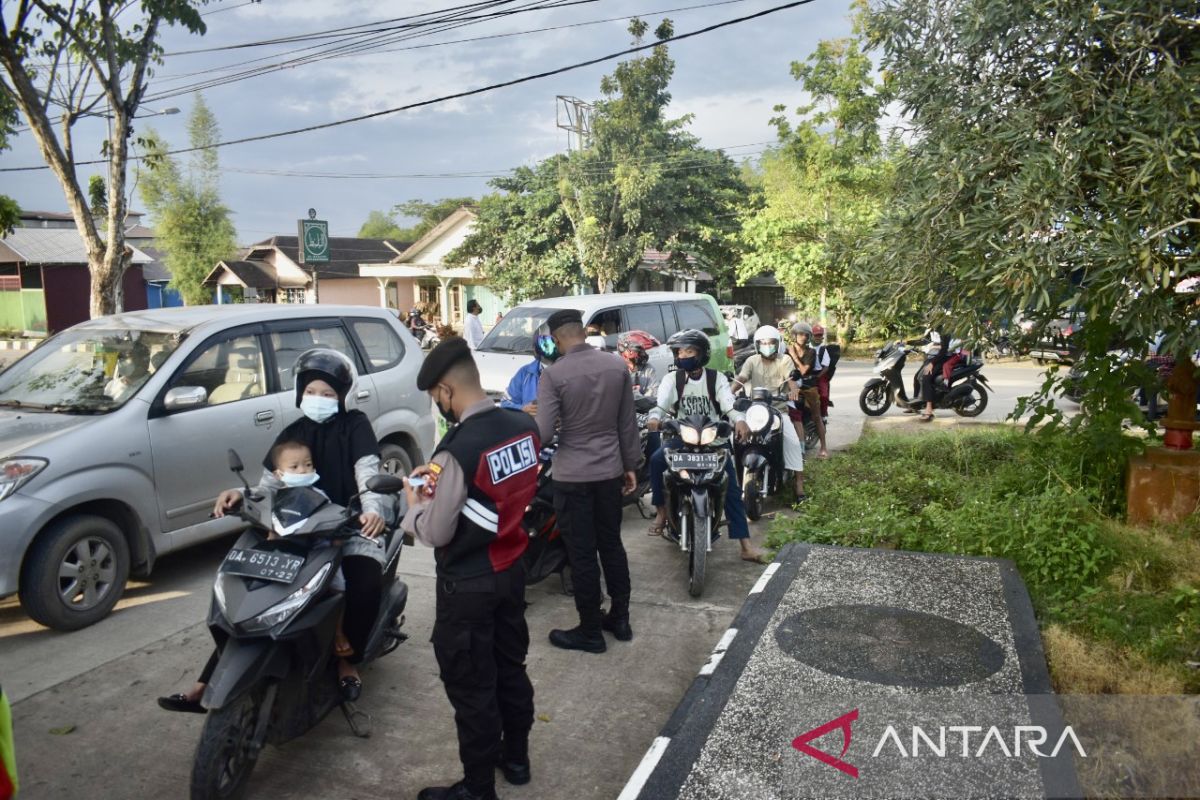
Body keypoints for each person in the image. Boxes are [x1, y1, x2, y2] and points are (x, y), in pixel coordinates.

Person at [157, 349, 390, 712]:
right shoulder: (292, 432)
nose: (319, 399)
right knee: (247, 593)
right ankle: (209, 679)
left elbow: (367, 470)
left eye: (328, 394)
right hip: (297, 529)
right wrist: (241, 494)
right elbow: (269, 485)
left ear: (342, 396)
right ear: (300, 392)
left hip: (349, 524)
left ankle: (349, 659)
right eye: (312, 391)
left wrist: (372, 510)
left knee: (365, 583)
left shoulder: (354, 425)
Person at [403, 337, 540, 800]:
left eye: (435, 398)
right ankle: (516, 759)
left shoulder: (455, 448)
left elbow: (435, 532)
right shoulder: (523, 425)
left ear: (445, 391)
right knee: (510, 668)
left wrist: (415, 502)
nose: (438, 405)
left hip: (470, 584)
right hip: (513, 569)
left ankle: (478, 789)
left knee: (472, 687)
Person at [535, 309, 639, 653]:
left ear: (556, 338)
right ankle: (620, 620)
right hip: (609, 472)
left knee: (581, 554)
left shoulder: (554, 375)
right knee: (611, 545)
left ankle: (590, 631)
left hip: (572, 477)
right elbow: (627, 423)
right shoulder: (615, 366)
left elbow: (546, 432)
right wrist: (630, 465)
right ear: (581, 331)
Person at [646, 330, 767, 562]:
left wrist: (739, 420)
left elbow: (729, 405)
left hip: (714, 440)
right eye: (679, 352)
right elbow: (660, 405)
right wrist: (654, 418)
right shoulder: (673, 379)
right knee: (656, 460)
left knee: (731, 486)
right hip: (683, 437)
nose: (683, 356)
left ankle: (746, 545)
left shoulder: (717, 379)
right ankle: (662, 513)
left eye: (689, 351)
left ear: (702, 354)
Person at [732, 325, 809, 499]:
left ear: (778, 343)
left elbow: (791, 379)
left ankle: (799, 485)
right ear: (757, 345)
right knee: (734, 437)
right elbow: (742, 378)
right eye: (763, 343)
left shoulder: (785, 360)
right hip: (755, 411)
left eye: (771, 342)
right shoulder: (752, 361)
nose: (768, 345)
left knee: (793, 443)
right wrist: (729, 391)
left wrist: (794, 390)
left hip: (777, 411)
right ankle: (733, 481)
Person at [787, 323, 830, 458]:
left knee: (817, 417)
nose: (803, 337)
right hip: (791, 385)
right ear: (794, 335)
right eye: (800, 334)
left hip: (808, 386)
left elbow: (804, 370)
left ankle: (823, 447)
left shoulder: (811, 352)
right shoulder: (786, 350)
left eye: (806, 334)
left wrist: (793, 356)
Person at [499, 331, 560, 415]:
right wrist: (522, 409)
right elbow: (505, 403)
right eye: (543, 344)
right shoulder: (525, 373)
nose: (548, 347)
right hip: (531, 425)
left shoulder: (569, 371)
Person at [617, 330, 660, 399]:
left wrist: (640, 396)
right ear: (626, 352)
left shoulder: (648, 369)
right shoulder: (618, 371)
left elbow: (655, 394)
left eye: (643, 351)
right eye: (638, 351)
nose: (642, 354)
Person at [811, 324, 836, 418]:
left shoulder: (823, 349)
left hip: (820, 374)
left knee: (824, 395)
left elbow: (826, 367)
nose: (818, 337)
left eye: (820, 335)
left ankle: (823, 414)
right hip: (807, 373)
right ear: (811, 335)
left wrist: (817, 377)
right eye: (816, 335)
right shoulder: (807, 346)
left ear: (822, 337)